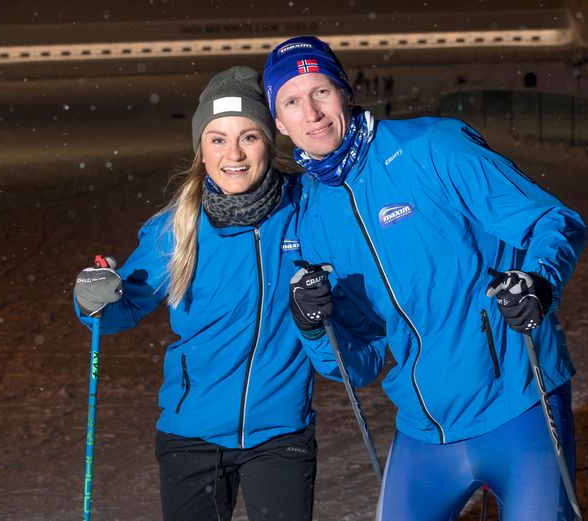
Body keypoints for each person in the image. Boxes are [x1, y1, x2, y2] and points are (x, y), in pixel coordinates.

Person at [264, 36, 588, 520]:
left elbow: (553, 221)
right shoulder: (310, 219)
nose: (311, 112)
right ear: (278, 121)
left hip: (518, 405)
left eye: (321, 91)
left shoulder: (431, 147)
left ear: (346, 93)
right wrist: (314, 326)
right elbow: (363, 361)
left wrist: (538, 282)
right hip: (424, 430)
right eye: (292, 101)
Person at [73, 66, 383, 521]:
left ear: (269, 141)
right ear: (200, 149)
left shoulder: (307, 212)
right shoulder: (177, 228)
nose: (233, 154)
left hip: (281, 435)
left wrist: (320, 317)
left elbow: (354, 336)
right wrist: (95, 297)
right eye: (217, 139)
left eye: (249, 137)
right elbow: (119, 310)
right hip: (190, 436)